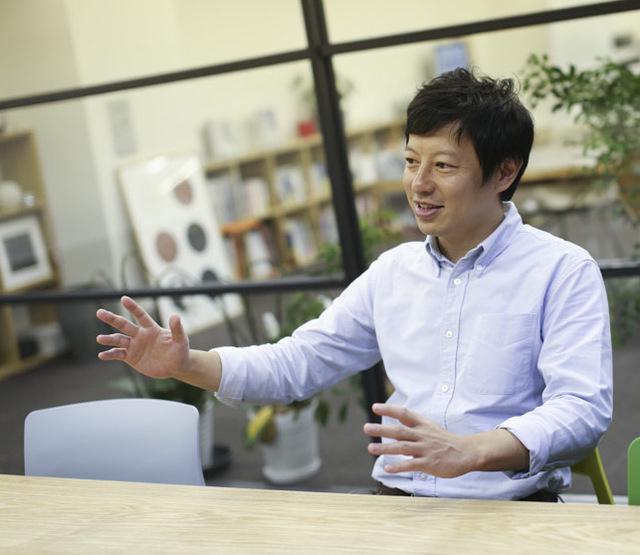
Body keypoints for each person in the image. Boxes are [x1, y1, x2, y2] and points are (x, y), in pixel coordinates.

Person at [96, 68, 612, 501]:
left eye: (443, 166)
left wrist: (472, 450)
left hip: (510, 508)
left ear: (504, 173)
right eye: (410, 161)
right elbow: (297, 363)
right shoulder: (394, 272)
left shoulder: (561, 271)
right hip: (398, 503)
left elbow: (582, 409)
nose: (419, 184)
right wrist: (186, 363)